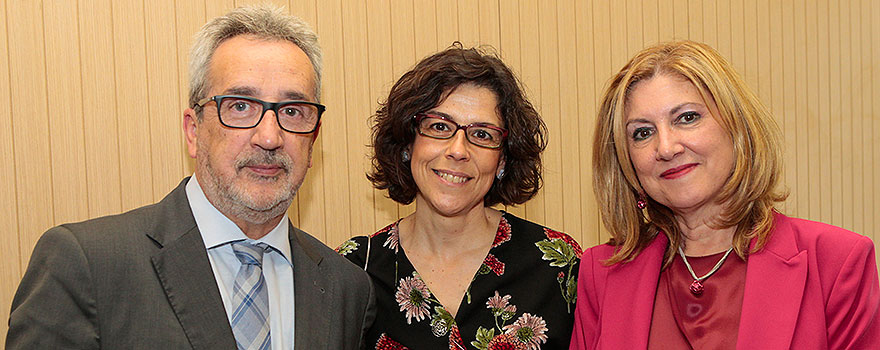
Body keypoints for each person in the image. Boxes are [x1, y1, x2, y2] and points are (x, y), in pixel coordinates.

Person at [7, 5, 374, 349]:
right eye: (241, 106)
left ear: (314, 137)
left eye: (293, 111)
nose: (269, 137)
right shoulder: (86, 263)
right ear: (193, 130)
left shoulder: (346, 287)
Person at [570, 40, 880, 349]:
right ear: (626, 163)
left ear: (738, 129)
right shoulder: (600, 273)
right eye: (642, 133)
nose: (665, 148)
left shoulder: (837, 262)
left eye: (687, 118)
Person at [336, 44, 581, 349]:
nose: (458, 150)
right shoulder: (353, 271)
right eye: (439, 127)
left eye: (482, 134)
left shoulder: (559, 266)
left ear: (502, 160)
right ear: (407, 143)